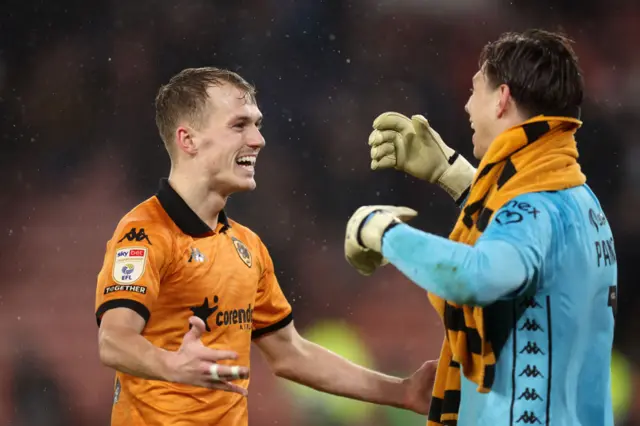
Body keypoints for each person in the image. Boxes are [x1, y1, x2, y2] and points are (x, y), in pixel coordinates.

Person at [95, 67, 435, 426]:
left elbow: (290, 352)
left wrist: (402, 391)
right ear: (188, 140)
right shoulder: (146, 231)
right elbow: (114, 339)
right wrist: (170, 364)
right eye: (239, 125)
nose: (258, 140)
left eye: (256, 125)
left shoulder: (247, 246)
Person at [344, 29, 617, 426]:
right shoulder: (578, 199)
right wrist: (451, 175)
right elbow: (522, 228)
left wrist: (379, 230)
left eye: (476, 91)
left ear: (502, 98)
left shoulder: (534, 210)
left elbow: (479, 277)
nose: (468, 107)